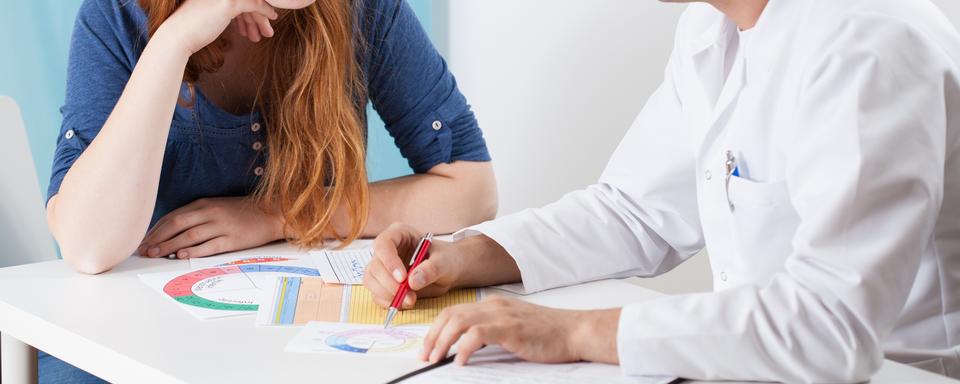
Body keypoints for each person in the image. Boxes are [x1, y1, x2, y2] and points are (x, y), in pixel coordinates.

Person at [364, 0, 960, 381]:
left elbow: (832, 324)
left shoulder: (869, 39)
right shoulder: (712, 29)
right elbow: (634, 212)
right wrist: (463, 255)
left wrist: (572, 331)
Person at [44, 0, 495, 381]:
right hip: (133, 348)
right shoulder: (119, 14)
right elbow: (88, 247)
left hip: (287, 348)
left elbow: (472, 191)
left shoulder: (363, 10)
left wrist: (278, 215)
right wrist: (175, 40)